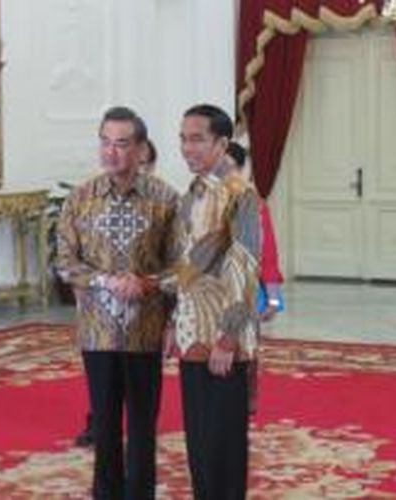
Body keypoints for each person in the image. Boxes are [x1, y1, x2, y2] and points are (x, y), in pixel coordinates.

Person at [55, 106, 179, 499]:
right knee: (105, 424)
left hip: (146, 329)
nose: (112, 152)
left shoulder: (166, 199)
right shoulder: (80, 199)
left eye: (122, 144)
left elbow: (183, 267)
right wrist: (106, 280)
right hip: (98, 331)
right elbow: (64, 262)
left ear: (141, 149)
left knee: (143, 425)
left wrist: (148, 284)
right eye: (105, 142)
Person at [163, 104, 261, 499]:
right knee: (200, 441)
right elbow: (184, 264)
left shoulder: (240, 193)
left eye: (197, 138)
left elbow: (245, 266)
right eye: (183, 138)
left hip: (223, 339)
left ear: (222, 143)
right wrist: (173, 321)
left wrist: (228, 336)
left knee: (223, 443)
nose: (188, 147)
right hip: (191, 333)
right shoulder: (194, 191)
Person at [225, 142, 285, 416]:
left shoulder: (255, 205)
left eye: (234, 167)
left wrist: (273, 297)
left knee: (247, 348)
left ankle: (247, 396)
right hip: (212, 292)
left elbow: (268, 254)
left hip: (248, 291)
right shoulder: (199, 202)